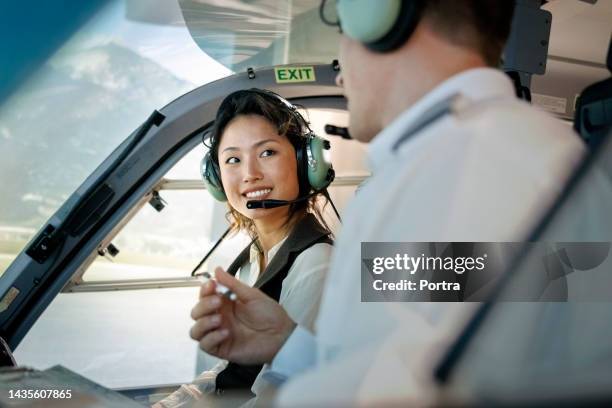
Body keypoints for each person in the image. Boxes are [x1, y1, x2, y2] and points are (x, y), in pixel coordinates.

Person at [190, 1, 586, 405]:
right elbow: (397, 367)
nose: (340, 65)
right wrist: (290, 344)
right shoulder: (461, 161)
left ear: (381, 15)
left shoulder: (471, 172)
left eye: (341, 26)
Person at [154, 89, 335, 407]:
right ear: (216, 178)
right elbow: (233, 370)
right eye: (233, 159)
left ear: (306, 162)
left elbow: (279, 395)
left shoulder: (317, 265)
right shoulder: (255, 255)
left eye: (267, 153)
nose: (250, 174)